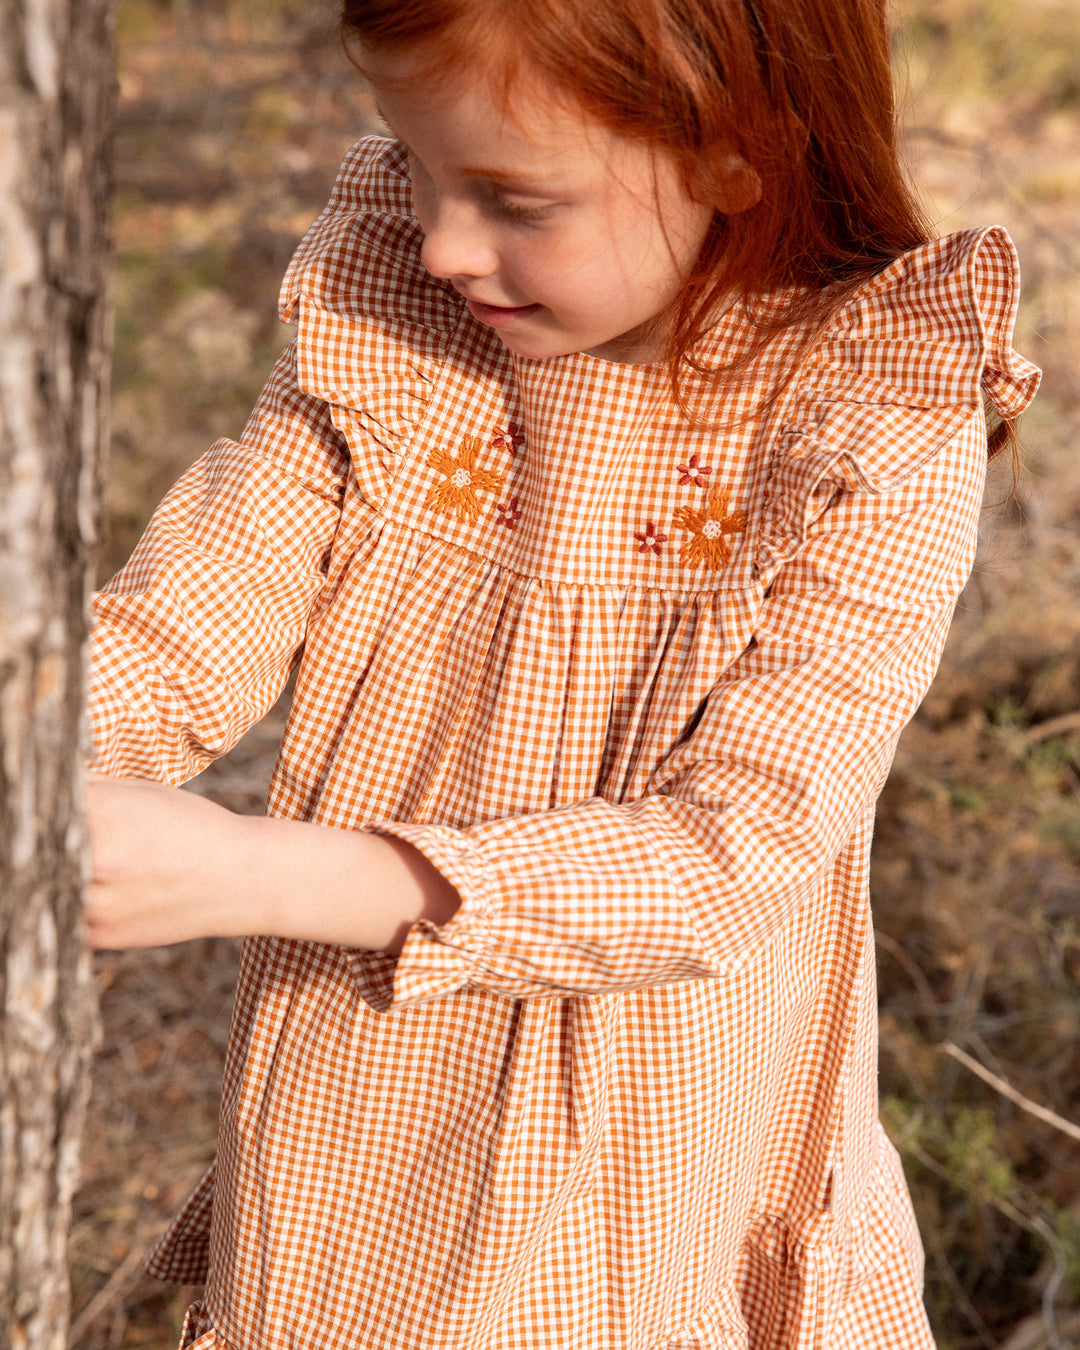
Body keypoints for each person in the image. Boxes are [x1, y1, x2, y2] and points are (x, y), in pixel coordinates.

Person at [85, 0, 1040, 1345]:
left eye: (513, 197)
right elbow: (185, 623)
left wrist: (248, 870)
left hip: (642, 1172)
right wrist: (58, 770)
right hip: (360, 1113)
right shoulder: (409, 328)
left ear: (736, 150)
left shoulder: (867, 411)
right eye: (415, 165)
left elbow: (731, 857)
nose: (443, 241)